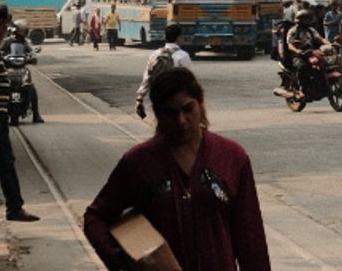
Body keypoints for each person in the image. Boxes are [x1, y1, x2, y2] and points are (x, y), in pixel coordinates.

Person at [84, 69, 270, 270]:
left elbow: (250, 237)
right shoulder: (139, 162)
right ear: (157, 114)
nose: (181, 120)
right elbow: (95, 217)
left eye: (188, 109)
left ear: (200, 103)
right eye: (170, 113)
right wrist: (118, 260)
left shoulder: (232, 157)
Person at [0, 4, 39, 221]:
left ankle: (14, 207)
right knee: (4, 160)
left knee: (6, 160)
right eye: (4, 26)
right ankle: (14, 207)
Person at [135, 25, 193, 119]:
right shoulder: (183, 56)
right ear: (178, 38)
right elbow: (189, 81)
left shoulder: (155, 54)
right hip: (176, 98)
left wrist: (140, 98)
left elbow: (147, 77)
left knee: (162, 125)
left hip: (158, 96)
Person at [6, 23, 43, 123]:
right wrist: (2, 57)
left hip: (22, 68)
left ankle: (36, 115)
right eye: (18, 34)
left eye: (22, 34)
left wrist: (33, 57)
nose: (20, 36)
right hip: (8, 68)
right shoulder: (7, 41)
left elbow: (32, 51)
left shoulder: (26, 42)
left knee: (32, 89)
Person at [285, 10, 327, 89]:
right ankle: (302, 87)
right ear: (300, 20)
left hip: (311, 52)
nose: (308, 21)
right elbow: (290, 45)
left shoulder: (311, 30)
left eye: (309, 19)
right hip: (298, 55)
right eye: (306, 19)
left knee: (325, 64)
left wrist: (329, 44)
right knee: (302, 67)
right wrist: (297, 51)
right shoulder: (293, 31)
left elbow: (320, 39)